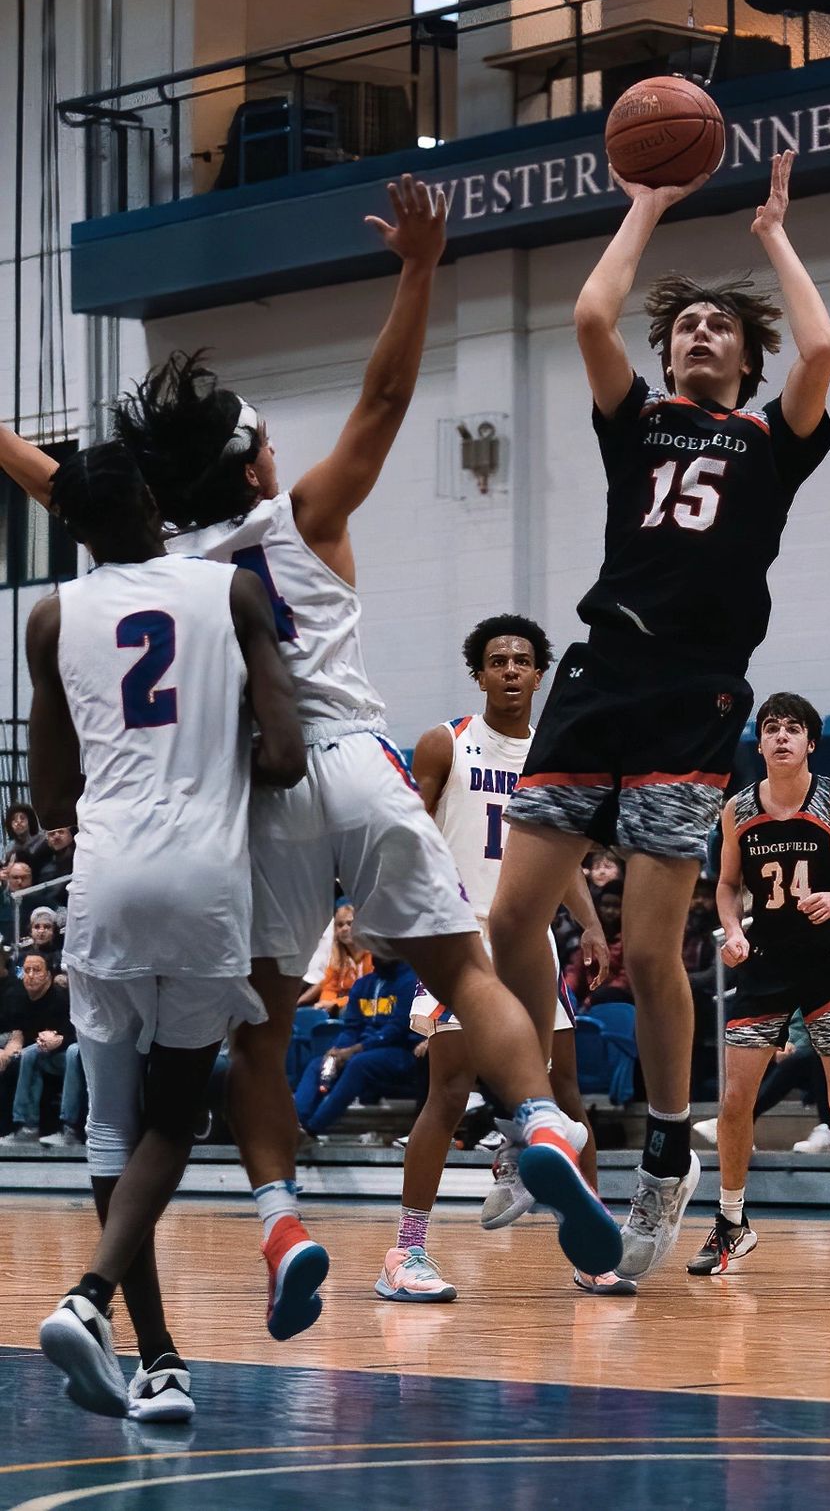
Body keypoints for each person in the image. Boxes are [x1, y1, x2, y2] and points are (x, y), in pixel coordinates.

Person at [83, 176, 621, 1316]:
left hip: (256, 801)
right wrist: (420, 269)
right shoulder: (301, 520)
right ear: (250, 465)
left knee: (264, 1034)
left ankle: (280, 1226)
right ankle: (538, 1126)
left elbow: (59, 485)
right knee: (466, 972)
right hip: (357, 766)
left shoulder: (152, 573)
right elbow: (380, 397)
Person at [488, 149, 830, 1282]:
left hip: (696, 691)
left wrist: (770, 237)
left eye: (713, 328)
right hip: (596, 678)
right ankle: (539, 1120)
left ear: (743, 356)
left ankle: (665, 1157)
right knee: (508, 925)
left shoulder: (769, 444)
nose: (694, 334)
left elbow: (822, 348)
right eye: (681, 324)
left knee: (646, 954)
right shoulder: (633, 423)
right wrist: (642, 204)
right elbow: (592, 310)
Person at [26, 442, 306, 1422]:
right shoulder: (227, 590)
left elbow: (51, 793)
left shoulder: (51, 614)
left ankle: (156, 1358)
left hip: (104, 876)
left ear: (73, 533)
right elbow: (283, 752)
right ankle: (91, 1301)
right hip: (201, 879)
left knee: (109, 1121)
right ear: (153, 503)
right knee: (176, 1117)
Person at [388, 614, 617, 1302]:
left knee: (569, 1092)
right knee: (450, 1088)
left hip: (530, 934)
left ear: (541, 672)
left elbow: (561, 858)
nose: (511, 668)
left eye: (523, 658)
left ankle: (591, 1244)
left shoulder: (553, 756)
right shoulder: (445, 743)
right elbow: (409, 835)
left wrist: (591, 924)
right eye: (498, 659)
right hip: (459, 937)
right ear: (479, 672)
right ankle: (405, 1252)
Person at [688, 692, 830, 1281]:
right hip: (766, 963)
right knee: (734, 1101)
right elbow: (727, 887)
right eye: (772, 729)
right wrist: (731, 929)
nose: (782, 737)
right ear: (759, 743)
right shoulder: (737, 809)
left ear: (811, 742)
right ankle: (732, 1221)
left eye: (794, 729)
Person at [294, 956, 421, 1139]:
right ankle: (296, 1123)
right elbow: (351, 1028)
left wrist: (355, 1050)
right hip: (363, 1050)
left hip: (402, 1051)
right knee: (319, 1063)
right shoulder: (364, 984)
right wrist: (338, 1050)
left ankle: (312, 1129)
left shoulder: (410, 982)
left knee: (358, 1064)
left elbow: (397, 1030)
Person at [0, 949, 85, 1146]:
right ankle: (28, 1127)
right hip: (45, 1054)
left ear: (47, 975)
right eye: (26, 970)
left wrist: (59, 1039)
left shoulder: (62, 998)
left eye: (36, 970)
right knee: (28, 1055)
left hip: (71, 1053)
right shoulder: (20, 998)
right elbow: (17, 1032)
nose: (30, 975)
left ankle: (70, 1128)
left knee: (71, 1052)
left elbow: (80, 1032)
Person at [297, 903, 371, 1016]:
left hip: (370, 1005)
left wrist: (335, 1003)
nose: (345, 928)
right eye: (340, 925)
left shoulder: (371, 956)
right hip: (346, 1006)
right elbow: (329, 988)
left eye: (349, 923)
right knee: (312, 1014)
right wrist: (325, 1003)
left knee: (345, 1011)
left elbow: (368, 994)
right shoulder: (338, 959)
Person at [4, 803, 49, 874]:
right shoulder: (10, 851)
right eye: (13, 820)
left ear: (29, 821)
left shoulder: (44, 841)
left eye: (22, 818)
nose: (18, 822)